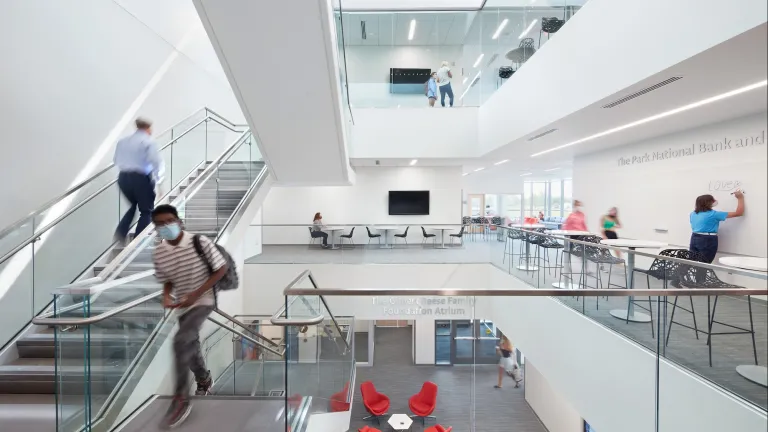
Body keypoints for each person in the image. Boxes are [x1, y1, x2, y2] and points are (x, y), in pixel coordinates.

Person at [151, 204, 228, 429]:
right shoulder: (160, 251)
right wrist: (166, 296)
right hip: (182, 304)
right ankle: (204, 378)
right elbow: (166, 278)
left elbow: (220, 268)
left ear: (179, 221)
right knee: (190, 343)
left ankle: (181, 399)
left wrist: (196, 293)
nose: (166, 226)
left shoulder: (199, 242)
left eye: (169, 221)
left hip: (203, 300)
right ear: (156, 227)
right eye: (160, 224)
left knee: (181, 340)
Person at [113, 117, 162, 244]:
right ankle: (137, 242)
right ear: (147, 128)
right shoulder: (148, 141)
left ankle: (120, 233)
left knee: (133, 205)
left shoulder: (123, 141)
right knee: (147, 211)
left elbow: (116, 160)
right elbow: (156, 161)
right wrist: (159, 181)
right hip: (140, 178)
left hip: (123, 178)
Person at [689, 191, 744, 263]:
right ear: (708, 203)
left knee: (693, 263)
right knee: (705, 263)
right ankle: (701, 274)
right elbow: (739, 213)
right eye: (712, 200)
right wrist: (740, 198)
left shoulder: (693, 214)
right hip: (707, 240)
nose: (715, 201)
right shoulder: (714, 214)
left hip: (694, 237)